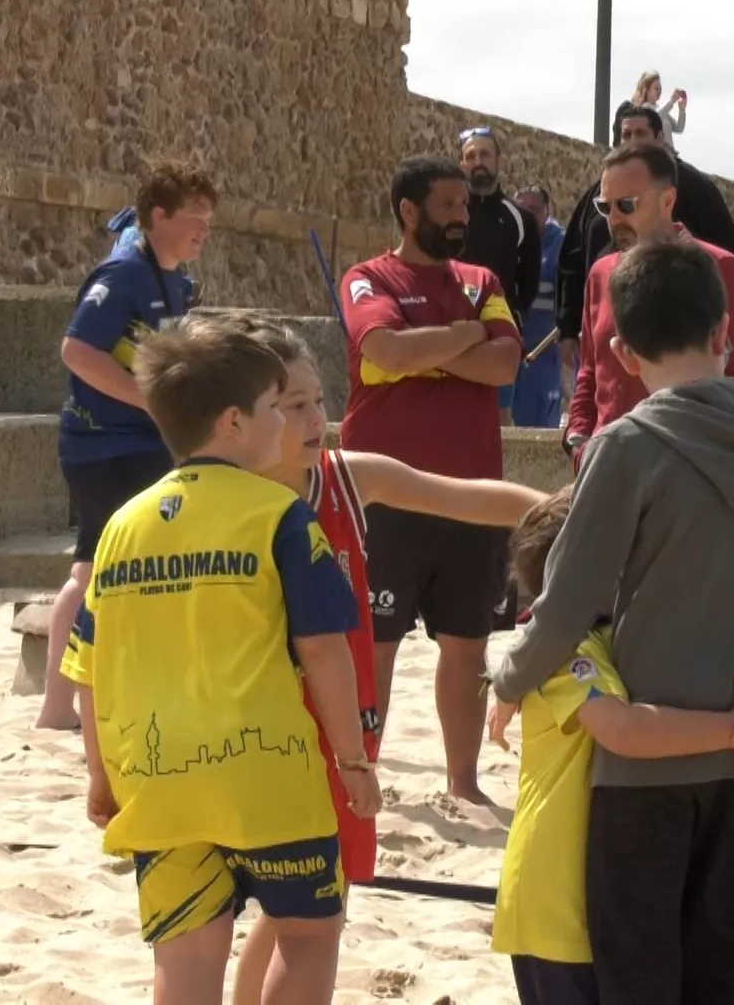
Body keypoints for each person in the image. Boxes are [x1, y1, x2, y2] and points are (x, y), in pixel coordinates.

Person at [191, 313, 546, 1005]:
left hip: (343, 734)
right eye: (293, 405)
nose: (316, 416)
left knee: (308, 903)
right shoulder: (220, 503)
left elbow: (467, 498)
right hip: (264, 739)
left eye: (320, 398)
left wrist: (568, 508)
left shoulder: (346, 478)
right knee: (305, 909)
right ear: (240, 418)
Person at [487, 237, 734, 1005]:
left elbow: (567, 596)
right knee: (718, 961)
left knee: (639, 970)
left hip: (654, 761)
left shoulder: (626, 445)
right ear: (724, 332)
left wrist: (510, 679)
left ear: (621, 352)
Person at [61, 320, 375, 1005]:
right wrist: (352, 761)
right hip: (269, 784)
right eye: (275, 408)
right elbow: (323, 649)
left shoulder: (121, 526)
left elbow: (88, 668)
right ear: (233, 422)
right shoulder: (282, 517)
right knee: (308, 935)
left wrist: (99, 775)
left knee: (185, 961)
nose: (286, 422)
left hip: (160, 782)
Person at [489, 486, 734, 1005]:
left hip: (607, 894)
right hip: (555, 900)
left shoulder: (632, 638)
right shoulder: (562, 653)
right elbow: (625, 730)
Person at [337, 155, 524, 804]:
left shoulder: (481, 278)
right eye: (448, 205)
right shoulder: (366, 278)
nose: (461, 216)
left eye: (465, 206)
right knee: (375, 644)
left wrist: (430, 347)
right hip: (385, 495)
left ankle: (464, 784)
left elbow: (506, 365)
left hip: (473, 498)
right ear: (409, 212)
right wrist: (467, 335)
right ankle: (364, 776)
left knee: (467, 647)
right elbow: (384, 351)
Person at [40, 162, 216, 731]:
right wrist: (150, 400)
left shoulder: (168, 276)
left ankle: (62, 705)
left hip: (140, 443)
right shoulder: (121, 275)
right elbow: (77, 351)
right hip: (105, 445)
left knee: (94, 567)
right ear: (158, 216)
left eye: (210, 218)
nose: (205, 229)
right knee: (93, 572)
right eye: (195, 217)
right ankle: (58, 705)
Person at [564, 141, 734, 466]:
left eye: (626, 205)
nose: (614, 218)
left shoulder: (721, 268)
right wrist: (578, 440)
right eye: (606, 207)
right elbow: (591, 369)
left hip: (688, 474)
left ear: (667, 200)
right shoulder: (600, 274)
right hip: (607, 468)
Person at [555, 104, 734, 373]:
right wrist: (568, 328)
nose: (615, 216)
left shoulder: (697, 190)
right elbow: (572, 261)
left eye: (628, 204)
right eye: (626, 135)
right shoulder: (596, 198)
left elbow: (728, 254)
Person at [455, 127, 540, 428]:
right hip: (450, 333)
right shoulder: (447, 215)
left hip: (497, 337)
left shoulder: (521, 219)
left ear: (499, 161)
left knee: (499, 420)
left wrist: (512, 320)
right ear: (462, 163)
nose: (478, 161)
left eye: (485, 154)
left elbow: (528, 283)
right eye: (471, 156)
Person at [511, 184, 567, 427]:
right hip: (511, 351)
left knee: (540, 428)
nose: (528, 216)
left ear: (547, 211)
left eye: (534, 210)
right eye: (522, 210)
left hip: (543, 355)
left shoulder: (562, 246)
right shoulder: (510, 242)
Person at [630, 70, 688, 145]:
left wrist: (682, 109)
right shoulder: (642, 110)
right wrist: (671, 102)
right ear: (646, 90)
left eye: (660, 88)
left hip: (669, 155)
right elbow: (655, 119)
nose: (659, 91)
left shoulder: (661, 111)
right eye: (656, 89)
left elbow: (679, 129)